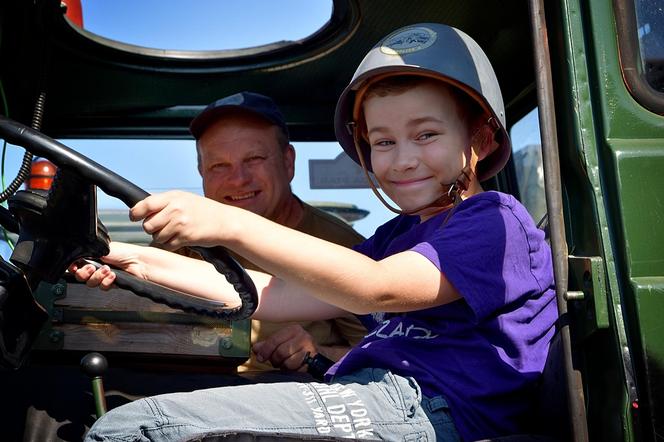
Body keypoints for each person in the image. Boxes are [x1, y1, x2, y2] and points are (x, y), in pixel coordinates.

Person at [72, 22, 558, 441]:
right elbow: (266, 292)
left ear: (482, 137)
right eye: (383, 141)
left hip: (431, 408)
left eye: (426, 134)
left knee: (137, 429)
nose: (404, 158)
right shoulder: (396, 235)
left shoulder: (494, 221)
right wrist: (129, 257)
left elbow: (375, 288)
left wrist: (230, 223)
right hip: (373, 392)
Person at [186, 91, 366, 373]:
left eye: (254, 159)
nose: (238, 179)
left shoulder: (342, 247)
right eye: (219, 165)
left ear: (288, 162)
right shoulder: (179, 245)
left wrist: (318, 354)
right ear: (201, 171)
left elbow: (392, 355)